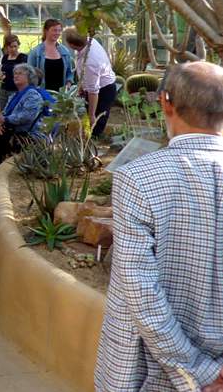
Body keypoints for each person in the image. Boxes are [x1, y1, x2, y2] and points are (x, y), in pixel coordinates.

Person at [95, 61, 223, 392]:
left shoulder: (137, 178)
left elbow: (140, 289)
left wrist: (199, 370)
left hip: (151, 372)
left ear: (165, 102)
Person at [0, 63, 47, 197]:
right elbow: (5, 114)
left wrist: (6, 121)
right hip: (11, 130)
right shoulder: (16, 94)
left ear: (29, 77)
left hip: (25, 134)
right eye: (15, 73)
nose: (16, 75)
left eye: (20, 73)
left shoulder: (32, 95)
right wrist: (0, 123)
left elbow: (27, 116)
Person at [64, 27, 118, 139]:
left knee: (95, 123)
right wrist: (82, 86)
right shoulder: (89, 41)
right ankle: (86, 138)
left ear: (72, 45)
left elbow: (93, 92)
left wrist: (92, 114)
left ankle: (92, 144)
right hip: (96, 86)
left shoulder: (90, 61)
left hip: (104, 90)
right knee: (87, 121)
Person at [27, 18, 74, 92]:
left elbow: (69, 73)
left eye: (59, 30)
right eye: (54, 30)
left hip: (61, 97)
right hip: (42, 95)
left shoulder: (65, 52)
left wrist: (68, 85)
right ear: (46, 31)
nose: (57, 33)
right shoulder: (36, 52)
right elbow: (28, 75)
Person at [0, 34, 27, 103]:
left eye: (15, 46)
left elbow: (24, 74)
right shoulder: (5, 57)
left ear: (18, 46)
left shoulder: (22, 58)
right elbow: (3, 71)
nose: (13, 49)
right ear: (7, 47)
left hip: (16, 90)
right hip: (4, 89)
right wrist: (0, 76)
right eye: (11, 47)